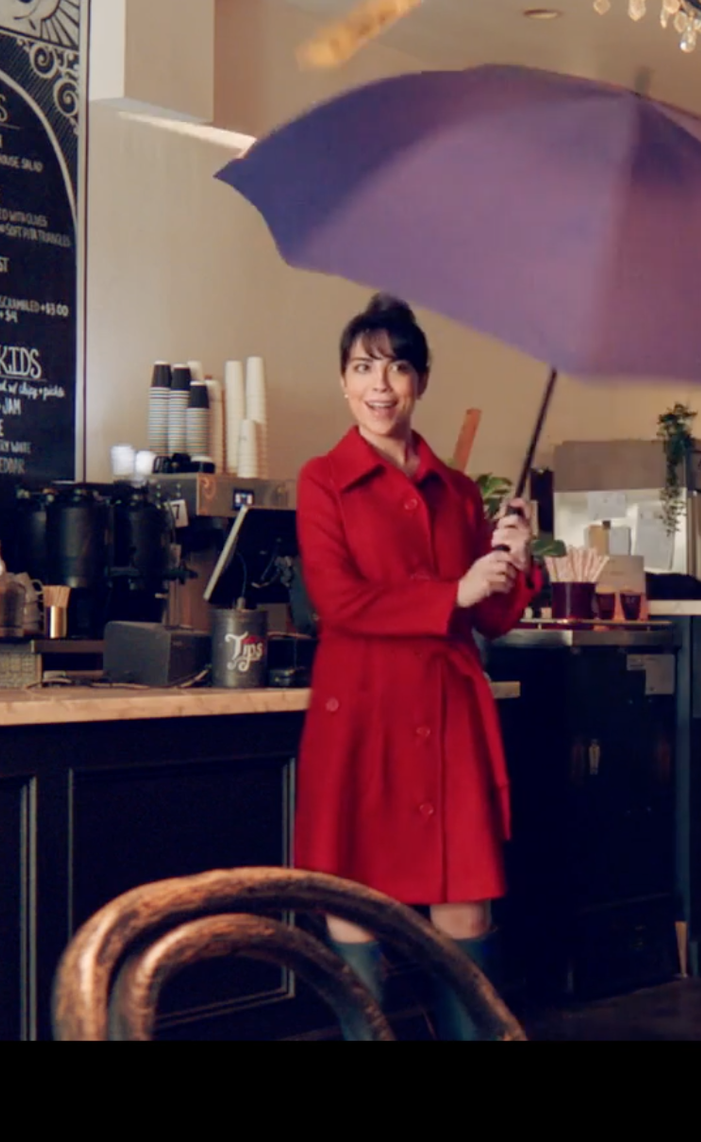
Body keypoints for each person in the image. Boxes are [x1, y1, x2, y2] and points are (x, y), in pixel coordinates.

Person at [294, 294, 537, 1039]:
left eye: (397, 368)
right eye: (363, 367)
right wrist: (453, 591)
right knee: (355, 904)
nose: (380, 384)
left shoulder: (458, 492)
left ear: (420, 382)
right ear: (343, 381)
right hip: (362, 716)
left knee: (467, 909)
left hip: (446, 717)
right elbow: (339, 602)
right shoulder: (321, 480)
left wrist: (513, 556)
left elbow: (490, 617)